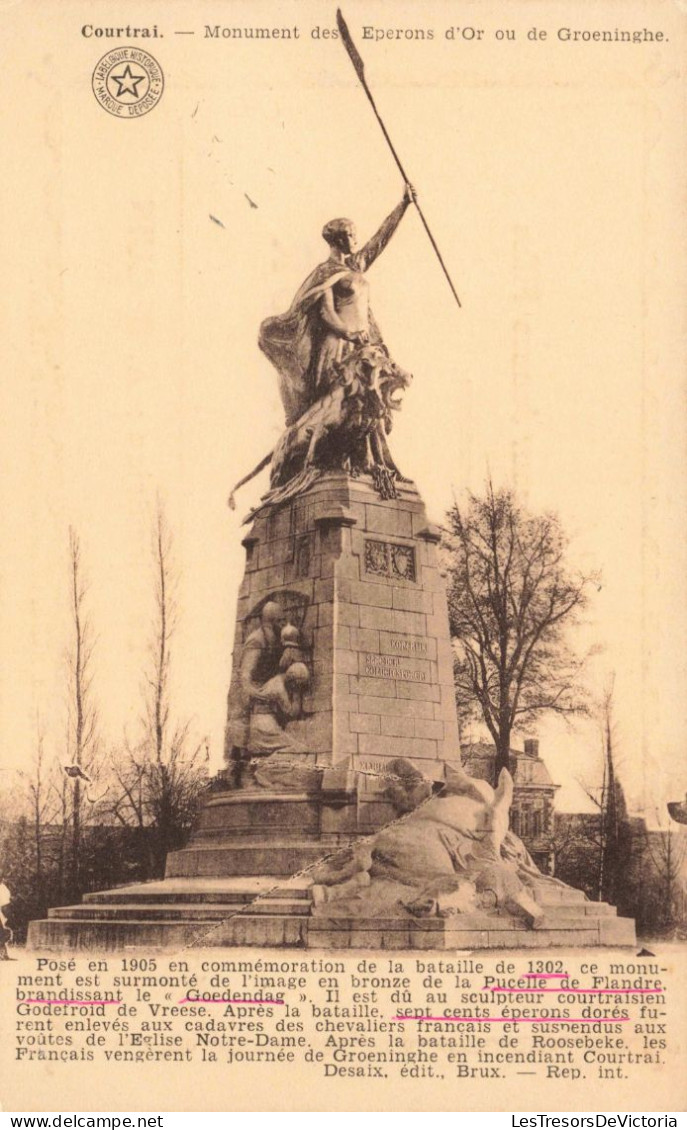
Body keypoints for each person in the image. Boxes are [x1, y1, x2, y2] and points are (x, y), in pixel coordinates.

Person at [259, 184, 417, 426]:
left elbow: (380, 240)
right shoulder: (326, 273)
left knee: (370, 407)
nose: (356, 239)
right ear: (339, 239)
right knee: (340, 407)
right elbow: (325, 311)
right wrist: (348, 332)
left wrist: (403, 204)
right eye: (351, 235)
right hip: (337, 347)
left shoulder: (355, 266)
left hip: (362, 345)